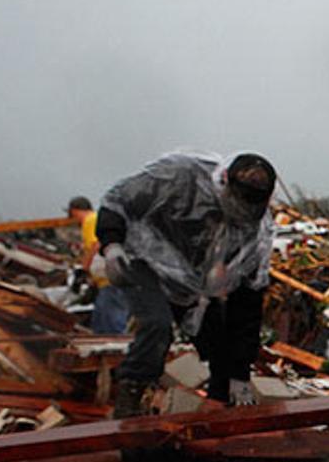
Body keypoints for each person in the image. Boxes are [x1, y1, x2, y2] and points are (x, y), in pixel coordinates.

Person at [96, 151, 276, 416]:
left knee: (218, 339)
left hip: (191, 282)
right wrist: (111, 243)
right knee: (157, 325)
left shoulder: (255, 233)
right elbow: (119, 200)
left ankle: (217, 406)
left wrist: (238, 374)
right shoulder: (181, 176)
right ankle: (131, 397)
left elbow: (246, 307)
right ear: (225, 183)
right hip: (143, 259)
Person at [68, 195, 130, 335]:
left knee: (112, 320)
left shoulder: (90, 221)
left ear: (75, 211)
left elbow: (96, 245)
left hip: (110, 278)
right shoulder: (99, 218)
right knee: (101, 319)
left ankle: (116, 352)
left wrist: (84, 269)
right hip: (109, 278)